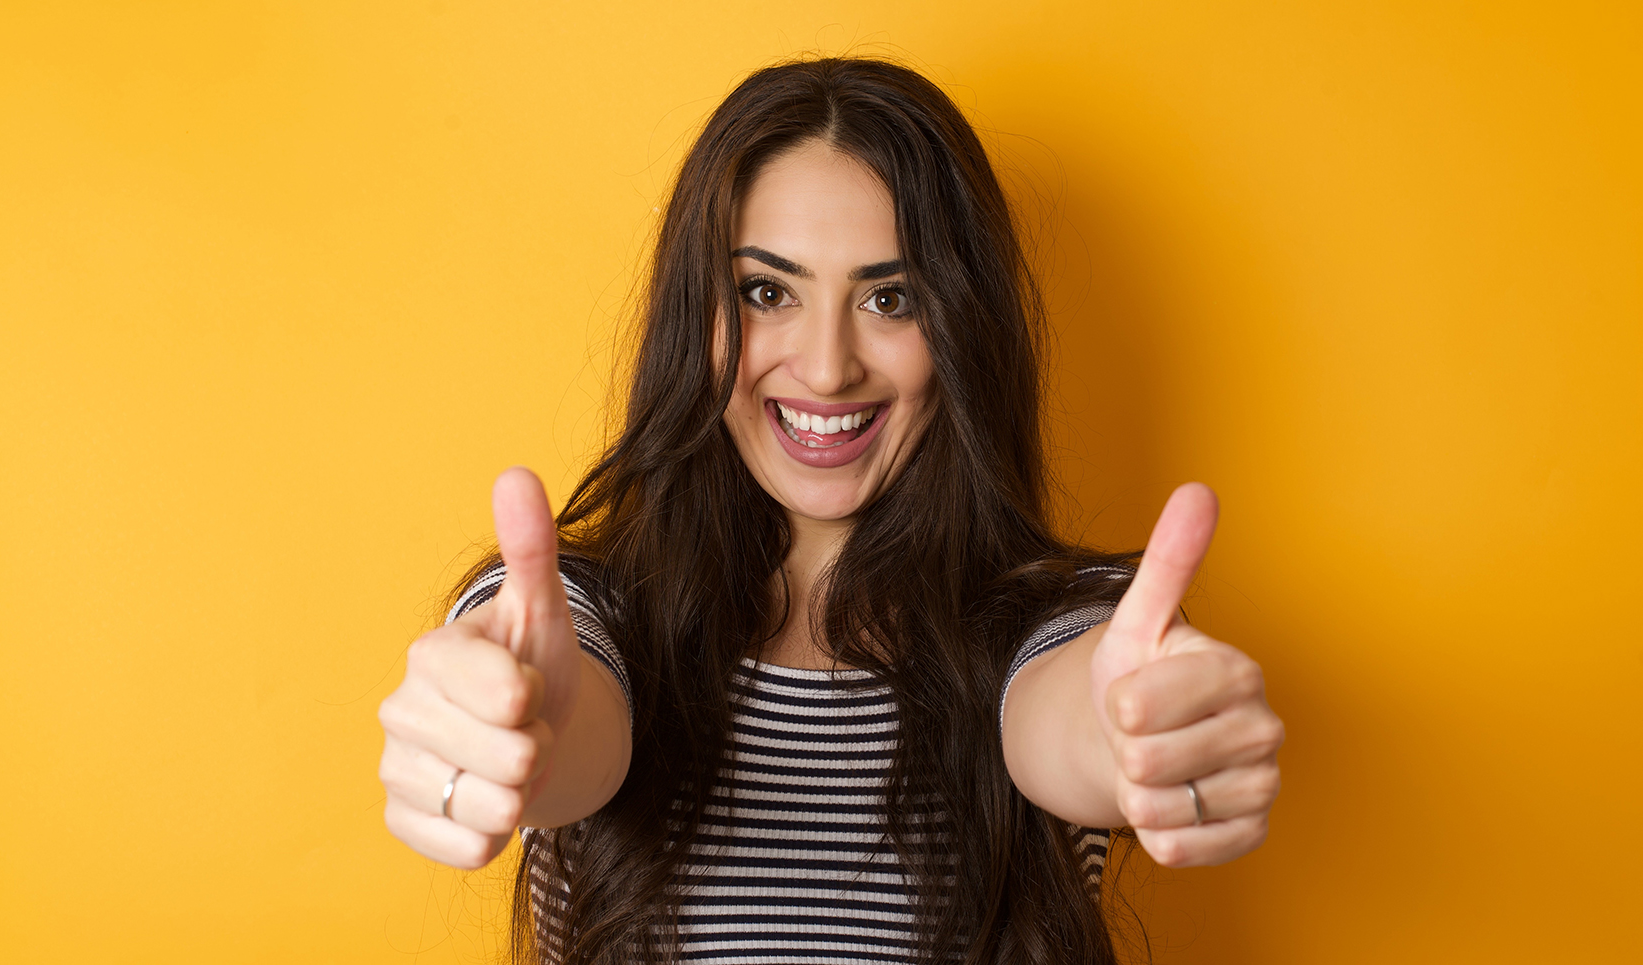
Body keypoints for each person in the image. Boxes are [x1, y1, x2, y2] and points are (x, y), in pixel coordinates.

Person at [376, 57, 1282, 965]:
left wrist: (1139, 731)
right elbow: (574, 728)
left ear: (963, 329)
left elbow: (1076, 719)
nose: (826, 366)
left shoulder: (1063, 627)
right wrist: (514, 730)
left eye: (890, 299)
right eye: (768, 292)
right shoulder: (578, 619)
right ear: (700, 315)